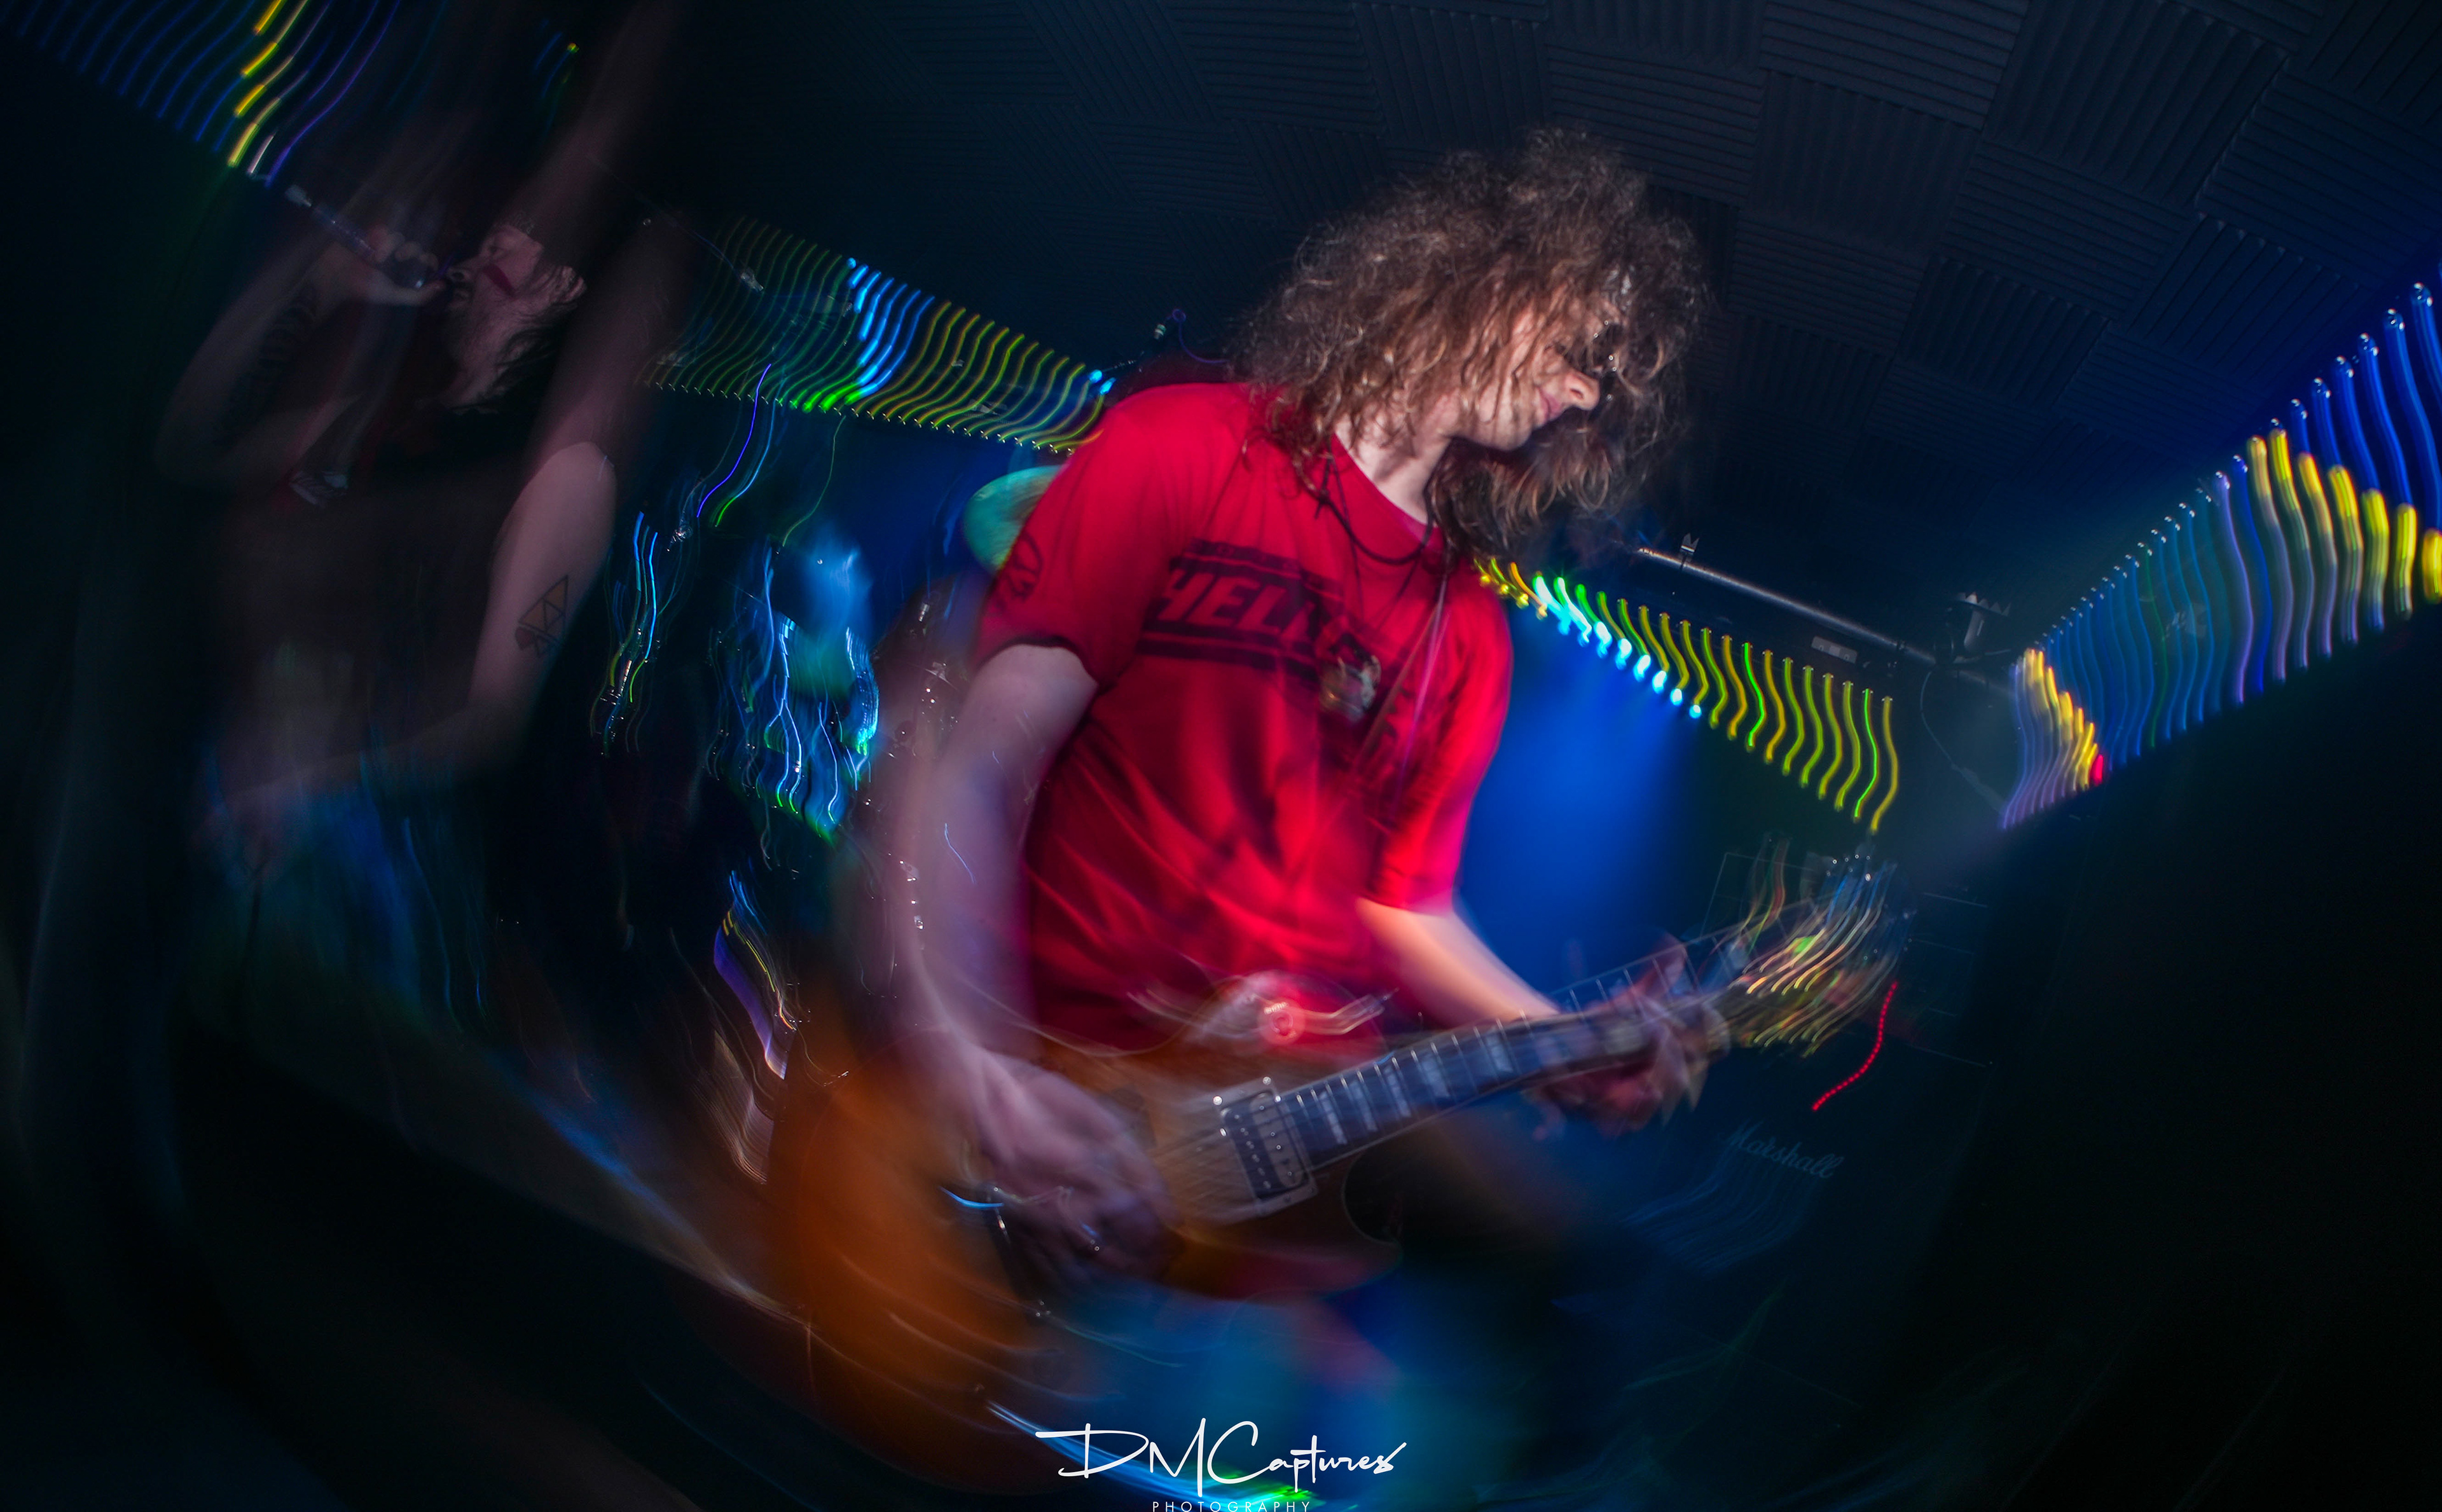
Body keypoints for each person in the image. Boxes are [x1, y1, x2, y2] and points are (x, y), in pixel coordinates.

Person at [888, 131, 1720, 1282]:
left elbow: (1407, 908)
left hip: (1248, 1142)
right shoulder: (1182, 448)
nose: (1582, 390)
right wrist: (965, 1054)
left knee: (1573, 1265)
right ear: (1482, 272)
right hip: (1066, 1076)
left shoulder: (1468, 632)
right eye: (1581, 347)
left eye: (1603, 378)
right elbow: (988, 762)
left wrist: (1559, 1043)